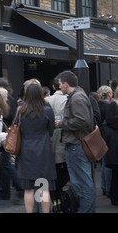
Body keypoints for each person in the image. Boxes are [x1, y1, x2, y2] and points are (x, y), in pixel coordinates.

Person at [56, 70, 96, 213]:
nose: (59, 87)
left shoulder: (77, 98)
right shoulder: (78, 95)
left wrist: (62, 123)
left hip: (76, 145)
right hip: (76, 144)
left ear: (66, 84)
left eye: (60, 84)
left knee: (83, 183)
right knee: (81, 183)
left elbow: (82, 120)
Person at [15, 84, 57, 213]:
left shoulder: (20, 110)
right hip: (43, 151)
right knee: (43, 187)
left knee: (28, 189)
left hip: (26, 151)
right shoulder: (47, 110)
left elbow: (16, 129)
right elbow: (51, 131)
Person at [45, 77, 69, 208]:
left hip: (50, 140)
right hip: (65, 138)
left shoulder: (47, 101)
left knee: (52, 170)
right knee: (65, 168)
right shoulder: (68, 100)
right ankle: (59, 195)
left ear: (53, 88)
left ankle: (54, 197)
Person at [103, 96, 118, 205]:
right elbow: (110, 120)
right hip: (115, 144)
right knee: (115, 174)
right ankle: (114, 196)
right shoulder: (114, 105)